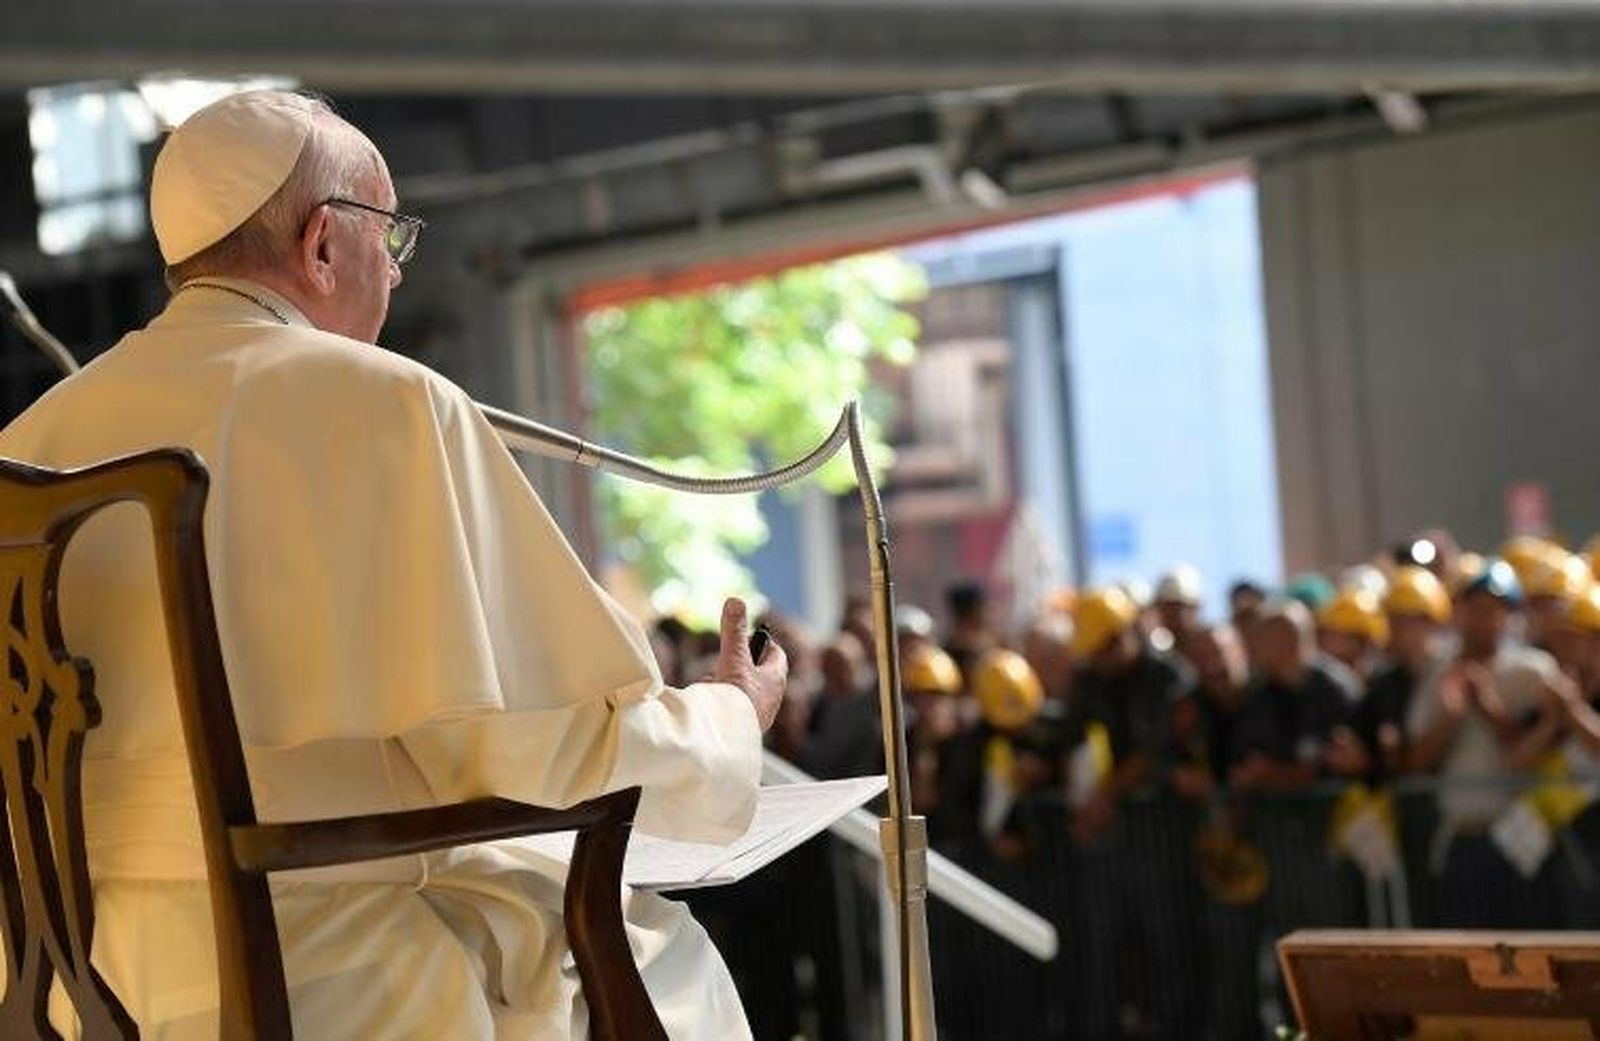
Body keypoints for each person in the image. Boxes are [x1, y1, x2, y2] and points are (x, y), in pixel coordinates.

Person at [0, 90, 787, 1039]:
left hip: (68, 982)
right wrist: (729, 720)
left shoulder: (31, 436)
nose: (398, 270)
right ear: (323, 243)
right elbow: (549, 748)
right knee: (664, 958)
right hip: (335, 972)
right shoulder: (387, 403)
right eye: (392, 235)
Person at [1065, 588, 1195, 1041]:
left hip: (1161, 835)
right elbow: (1077, 742)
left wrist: (1106, 796)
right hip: (1107, 839)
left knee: (1168, 944)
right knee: (1108, 946)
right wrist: (1084, 803)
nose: (1100, 660)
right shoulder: (1089, 681)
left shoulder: (1167, 676)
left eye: (1106, 648)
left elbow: (1156, 748)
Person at [1406, 560, 1565, 928]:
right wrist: (1451, 716)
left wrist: (1489, 707)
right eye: (1473, 608)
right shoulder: (1438, 674)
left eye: (1492, 610)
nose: (1482, 619)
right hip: (1463, 836)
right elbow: (1416, 760)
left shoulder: (1534, 671)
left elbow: (1530, 752)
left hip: (1523, 834)